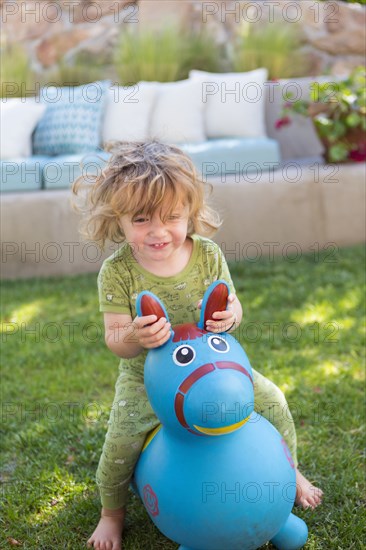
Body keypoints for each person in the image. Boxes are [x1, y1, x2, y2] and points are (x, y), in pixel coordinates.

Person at [73, 141, 322, 550]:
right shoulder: (116, 271)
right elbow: (115, 338)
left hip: (215, 372)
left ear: (190, 211)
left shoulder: (207, 254)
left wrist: (231, 317)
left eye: (171, 217)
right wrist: (136, 336)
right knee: (120, 443)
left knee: (274, 400)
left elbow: (232, 303)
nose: (158, 231)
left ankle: (288, 472)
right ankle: (111, 515)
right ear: (117, 219)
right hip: (148, 380)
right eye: (140, 219)